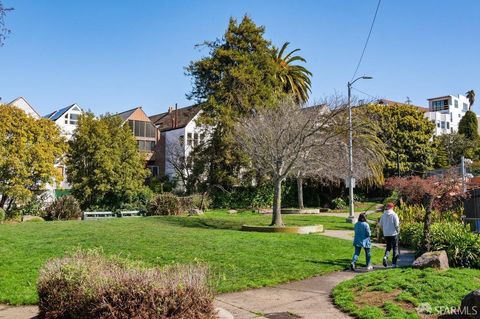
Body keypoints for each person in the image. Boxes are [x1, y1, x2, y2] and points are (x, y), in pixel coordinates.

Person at [379, 202, 400, 268]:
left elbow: (380, 225)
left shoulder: (383, 215)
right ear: (392, 207)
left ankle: (385, 257)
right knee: (395, 248)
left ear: (387, 207)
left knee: (388, 247)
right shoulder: (394, 214)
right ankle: (394, 264)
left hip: (386, 234)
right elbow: (396, 225)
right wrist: (398, 231)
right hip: (393, 233)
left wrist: (384, 231)